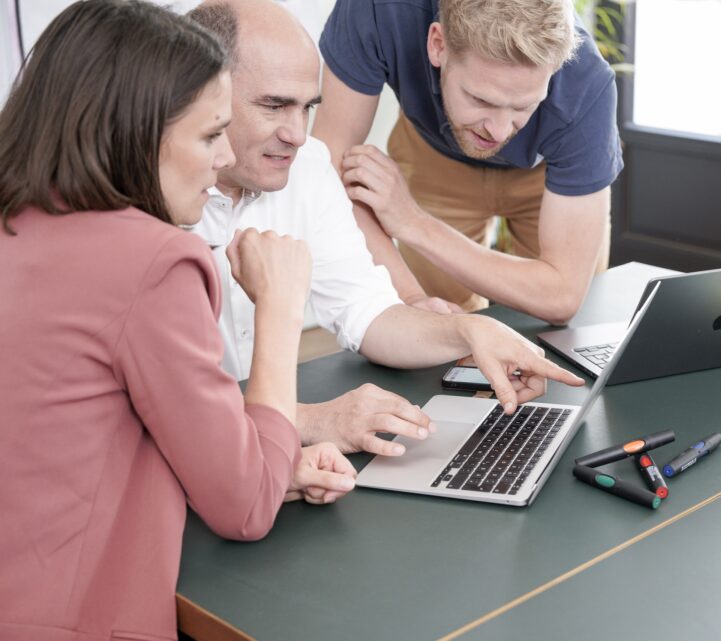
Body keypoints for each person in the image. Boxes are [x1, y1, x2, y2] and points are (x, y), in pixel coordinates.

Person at [0, 3, 354, 640]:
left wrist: (262, 460)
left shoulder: (19, 222)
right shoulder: (155, 261)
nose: (222, 160)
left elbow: (73, 434)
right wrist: (278, 309)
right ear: (136, 130)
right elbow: (244, 506)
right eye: (210, 134)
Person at [187, 0, 584, 458]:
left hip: (245, 452)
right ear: (201, 92)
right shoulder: (140, 204)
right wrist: (314, 420)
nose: (297, 134)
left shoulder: (309, 167)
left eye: (308, 108)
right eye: (275, 106)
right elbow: (160, 403)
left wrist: (470, 332)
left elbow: (367, 312)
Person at [313, 0, 623, 325]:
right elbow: (327, 169)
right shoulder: (379, 9)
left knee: (567, 334)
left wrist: (414, 223)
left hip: (547, 174)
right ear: (438, 44)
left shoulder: (587, 83)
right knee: (440, 331)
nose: (501, 131)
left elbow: (561, 296)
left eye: (524, 106)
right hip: (432, 154)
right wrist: (411, 298)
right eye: (481, 99)